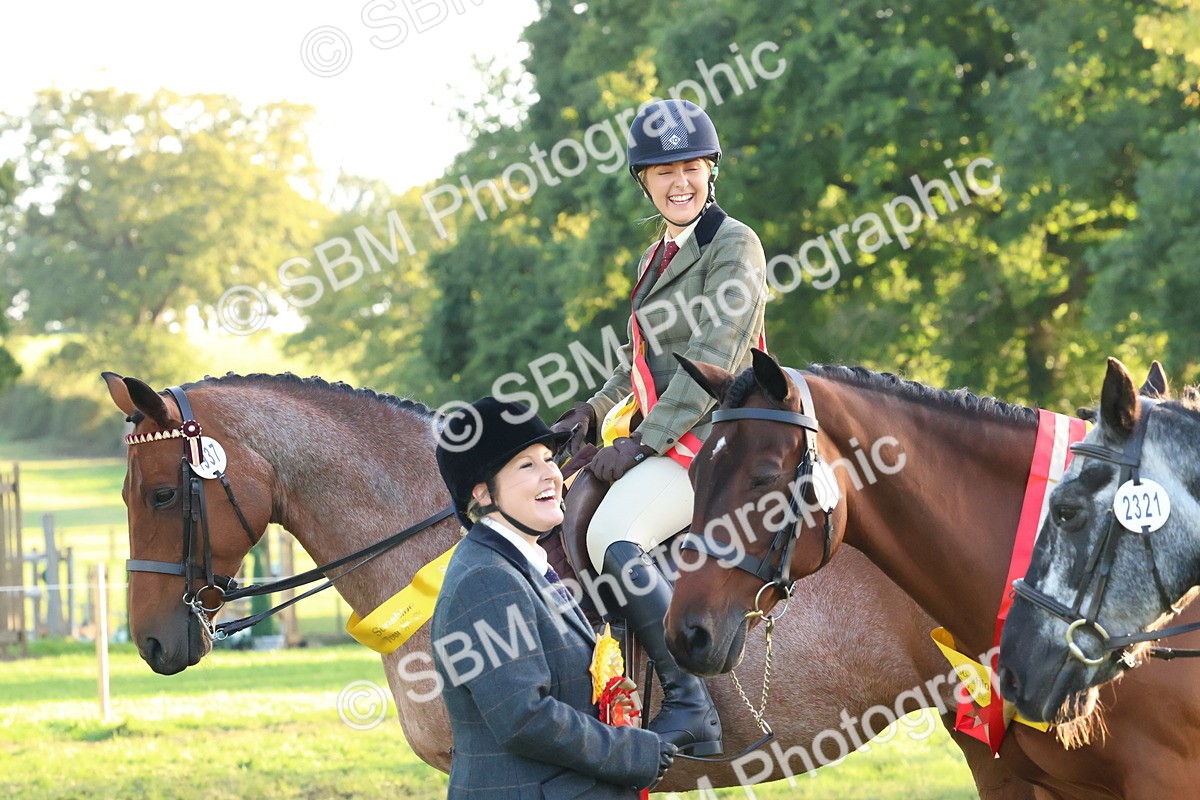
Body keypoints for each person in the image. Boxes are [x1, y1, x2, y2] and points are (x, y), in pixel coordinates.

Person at [552, 99, 768, 756]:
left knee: (618, 532)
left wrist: (643, 443)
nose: (679, 183)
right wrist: (592, 411)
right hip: (672, 436)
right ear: (644, 183)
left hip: (719, 437)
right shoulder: (656, 256)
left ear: (711, 171)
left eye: (691, 168)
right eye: (662, 171)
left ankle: (689, 703)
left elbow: (717, 355)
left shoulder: (734, 243)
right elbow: (641, 365)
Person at [433, 396, 676, 799]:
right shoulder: (486, 579)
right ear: (482, 493)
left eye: (548, 458)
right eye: (527, 465)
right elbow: (525, 717)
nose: (551, 474)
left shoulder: (526, 565)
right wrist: (631, 752)